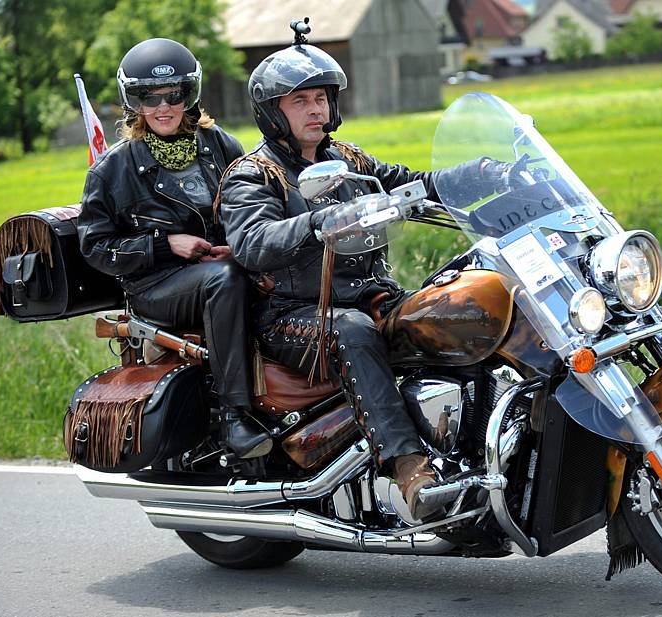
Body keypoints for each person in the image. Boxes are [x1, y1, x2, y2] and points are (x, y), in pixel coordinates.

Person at [217, 38, 507, 519]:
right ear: (272, 111)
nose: (316, 109)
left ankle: (482, 447)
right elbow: (253, 241)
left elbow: (415, 183)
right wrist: (318, 222)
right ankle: (411, 471)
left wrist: (484, 174)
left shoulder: (350, 162)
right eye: (300, 101)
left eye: (321, 98)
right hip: (293, 316)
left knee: (458, 306)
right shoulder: (253, 175)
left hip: (371, 297)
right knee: (352, 330)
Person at [78, 38, 272, 459]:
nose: (163, 107)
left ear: (190, 95)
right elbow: (96, 248)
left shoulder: (221, 146)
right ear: (134, 102)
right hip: (155, 285)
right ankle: (235, 417)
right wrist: (165, 245)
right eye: (149, 97)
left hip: (223, 268)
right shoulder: (113, 169)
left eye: (174, 95)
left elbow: (250, 207)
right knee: (225, 280)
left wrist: (237, 246)